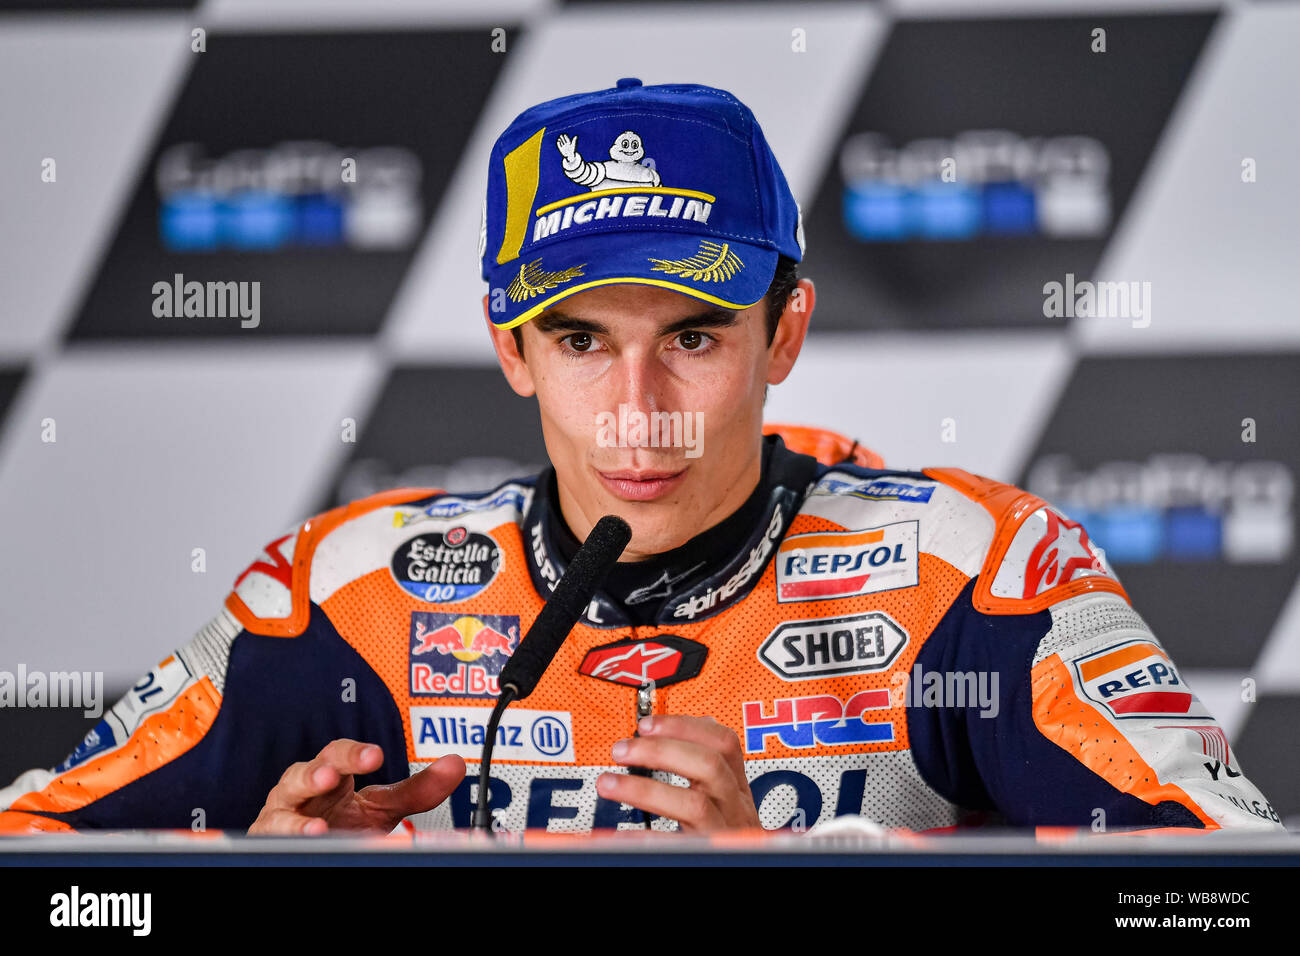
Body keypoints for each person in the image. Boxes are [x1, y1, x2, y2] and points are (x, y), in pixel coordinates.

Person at [0, 78, 1282, 836]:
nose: (638, 408)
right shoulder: (353, 592)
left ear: (784, 332)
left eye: (693, 334)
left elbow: (1212, 894)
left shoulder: (980, 575)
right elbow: (42, 863)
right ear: (511, 351)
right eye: (577, 339)